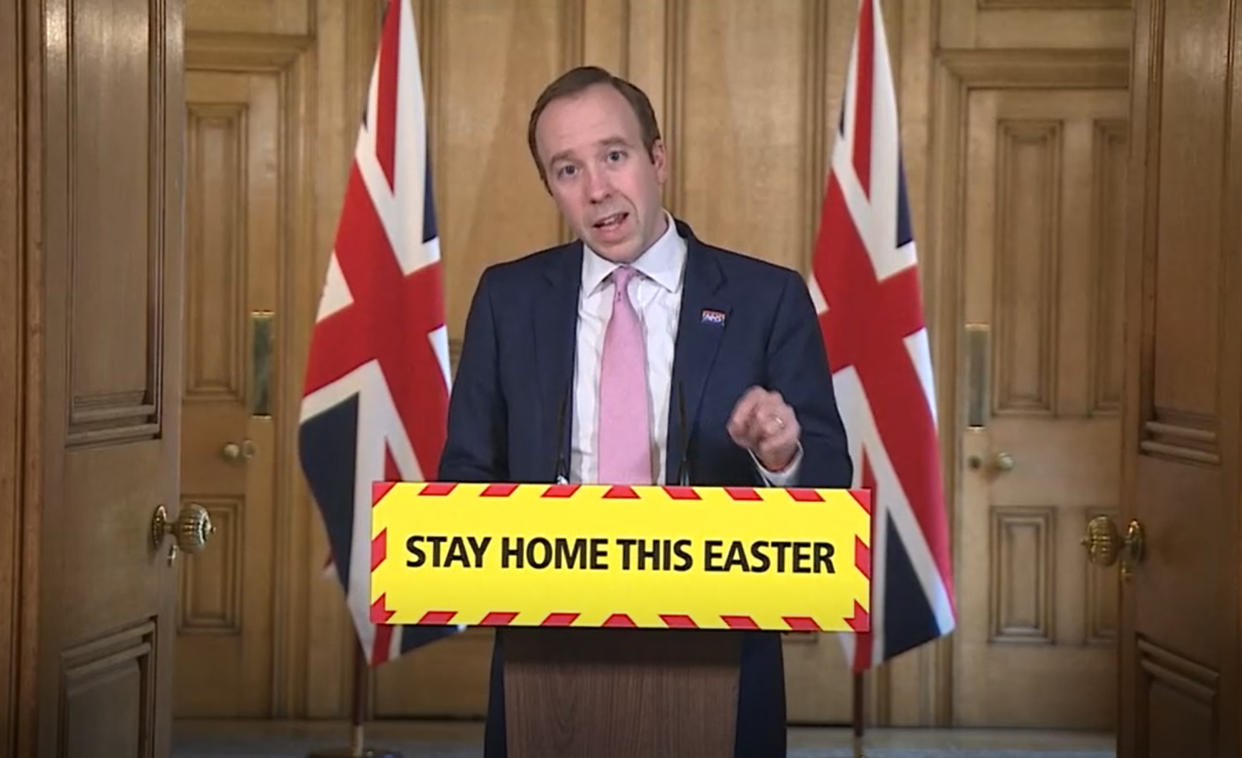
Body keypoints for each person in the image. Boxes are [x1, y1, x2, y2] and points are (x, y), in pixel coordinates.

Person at [438, 65, 853, 758]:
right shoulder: (509, 301)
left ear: (657, 158)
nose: (597, 188)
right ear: (551, 188)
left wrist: (782, 457)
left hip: (719, 653)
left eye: (614, 155)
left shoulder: (765, 299)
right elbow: (466, 474)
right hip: (549, 657)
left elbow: (831, 483)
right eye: (567, 169)